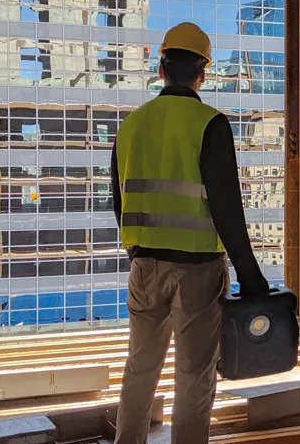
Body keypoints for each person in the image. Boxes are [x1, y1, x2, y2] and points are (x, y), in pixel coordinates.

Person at [110, 22, 270, 444]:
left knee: (139, 369)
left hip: (144, 264)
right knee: (194, 374)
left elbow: (119, 199)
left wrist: (138, 252)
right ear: (203, 72)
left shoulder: (132, 125)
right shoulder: (210, 124)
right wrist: (251, 276)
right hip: (197, 269)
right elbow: (226, 208)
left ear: (161, 68)